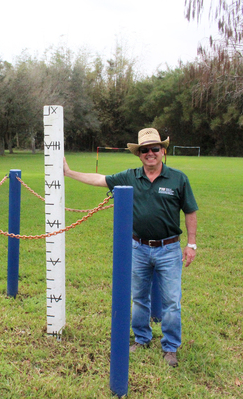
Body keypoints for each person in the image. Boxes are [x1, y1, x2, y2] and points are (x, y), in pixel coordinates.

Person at [63, 128, 198, 367]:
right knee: (139, 298)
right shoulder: (129, 177)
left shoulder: (179, 179)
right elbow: (100, 179)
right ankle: (142, 338)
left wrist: (191, 244)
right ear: (139, 154)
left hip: (169, 249)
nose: (150, 154)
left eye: (154, 149)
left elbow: (190, 211)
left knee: (171, 301)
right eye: (144, 150)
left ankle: (170, 347)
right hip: (139, 248)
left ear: (162, 151)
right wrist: (69, 173)